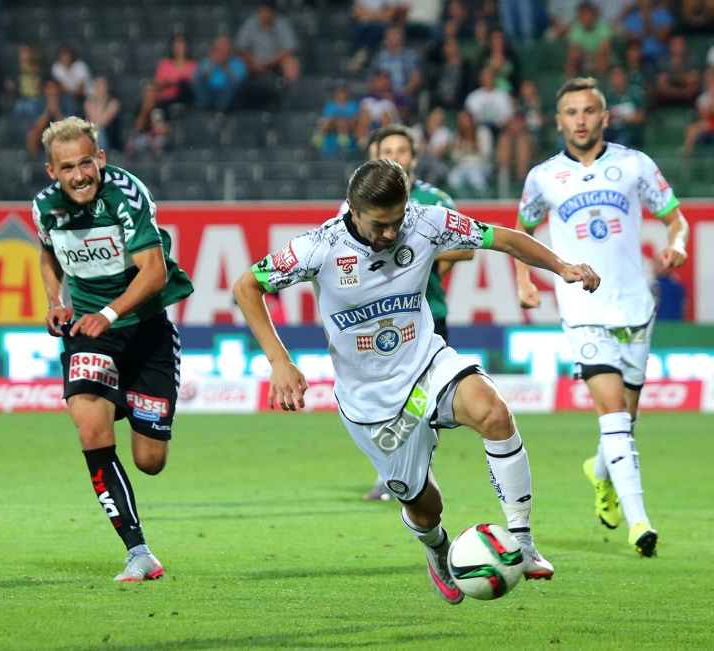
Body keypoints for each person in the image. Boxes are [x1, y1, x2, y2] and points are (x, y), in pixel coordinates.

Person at [235, 158, 601, 602]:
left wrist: (560, 267)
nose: (391, 234)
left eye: (397, 220)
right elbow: (246, 287)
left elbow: (501, 238)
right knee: (425, 505)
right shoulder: (320, 247)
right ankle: (437, 550)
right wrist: (279, 360)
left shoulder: (426, 222)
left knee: (494, 413)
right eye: (380, 224)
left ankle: (522, 543)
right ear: (352, 208)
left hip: (427, 365)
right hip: (372, 404)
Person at [515, 77, 690, 558]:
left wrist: (676, 244)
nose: (580, 120)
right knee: (614, 415)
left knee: (625, 420)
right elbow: (523, 231)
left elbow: (675, 217)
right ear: (559, 121)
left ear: (605, 117)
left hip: (635, 305)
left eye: (589, 111)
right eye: (571, 112)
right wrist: (525, 281)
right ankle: (640, 524)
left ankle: (600, 469)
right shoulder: (543, 177)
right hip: (581, 307)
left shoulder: (634, 165)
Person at [32, 117, 194, 581]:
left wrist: (110, 313)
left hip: (144, 331)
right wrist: (55, 301)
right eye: (68, 168)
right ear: (52, 172)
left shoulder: (126, 194)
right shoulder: (44, 207)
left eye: (87, 162)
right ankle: (138, 552)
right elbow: (46, 251)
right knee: (90, 430)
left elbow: (155, 272)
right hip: (89, 333)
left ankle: (122, 400)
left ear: (100, 159)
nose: (80, 175)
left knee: (150, 462)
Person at [349, 125, 475, 502]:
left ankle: (410, 471)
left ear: (414, 157)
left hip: (426, 316)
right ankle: (395, 472)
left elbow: (465, 247)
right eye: (385, 150)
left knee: (419, 400)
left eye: (401, 150)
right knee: (384, 400)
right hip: (375, 321)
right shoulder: (356, 204)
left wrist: (420, 257)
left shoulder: (432, 200)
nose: (394, 157)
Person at [192, 35, 248, 112]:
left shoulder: (237, 63)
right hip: (209, 93)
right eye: (218, 48)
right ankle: (202, 107)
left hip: (227, 96)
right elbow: (201, 77)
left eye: (224, 49)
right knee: (197, 77)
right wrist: (211, 63)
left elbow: (237, 82)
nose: (221, 52)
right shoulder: (207, 62)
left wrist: (224, 65)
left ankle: (221, 109)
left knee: (231, 83)